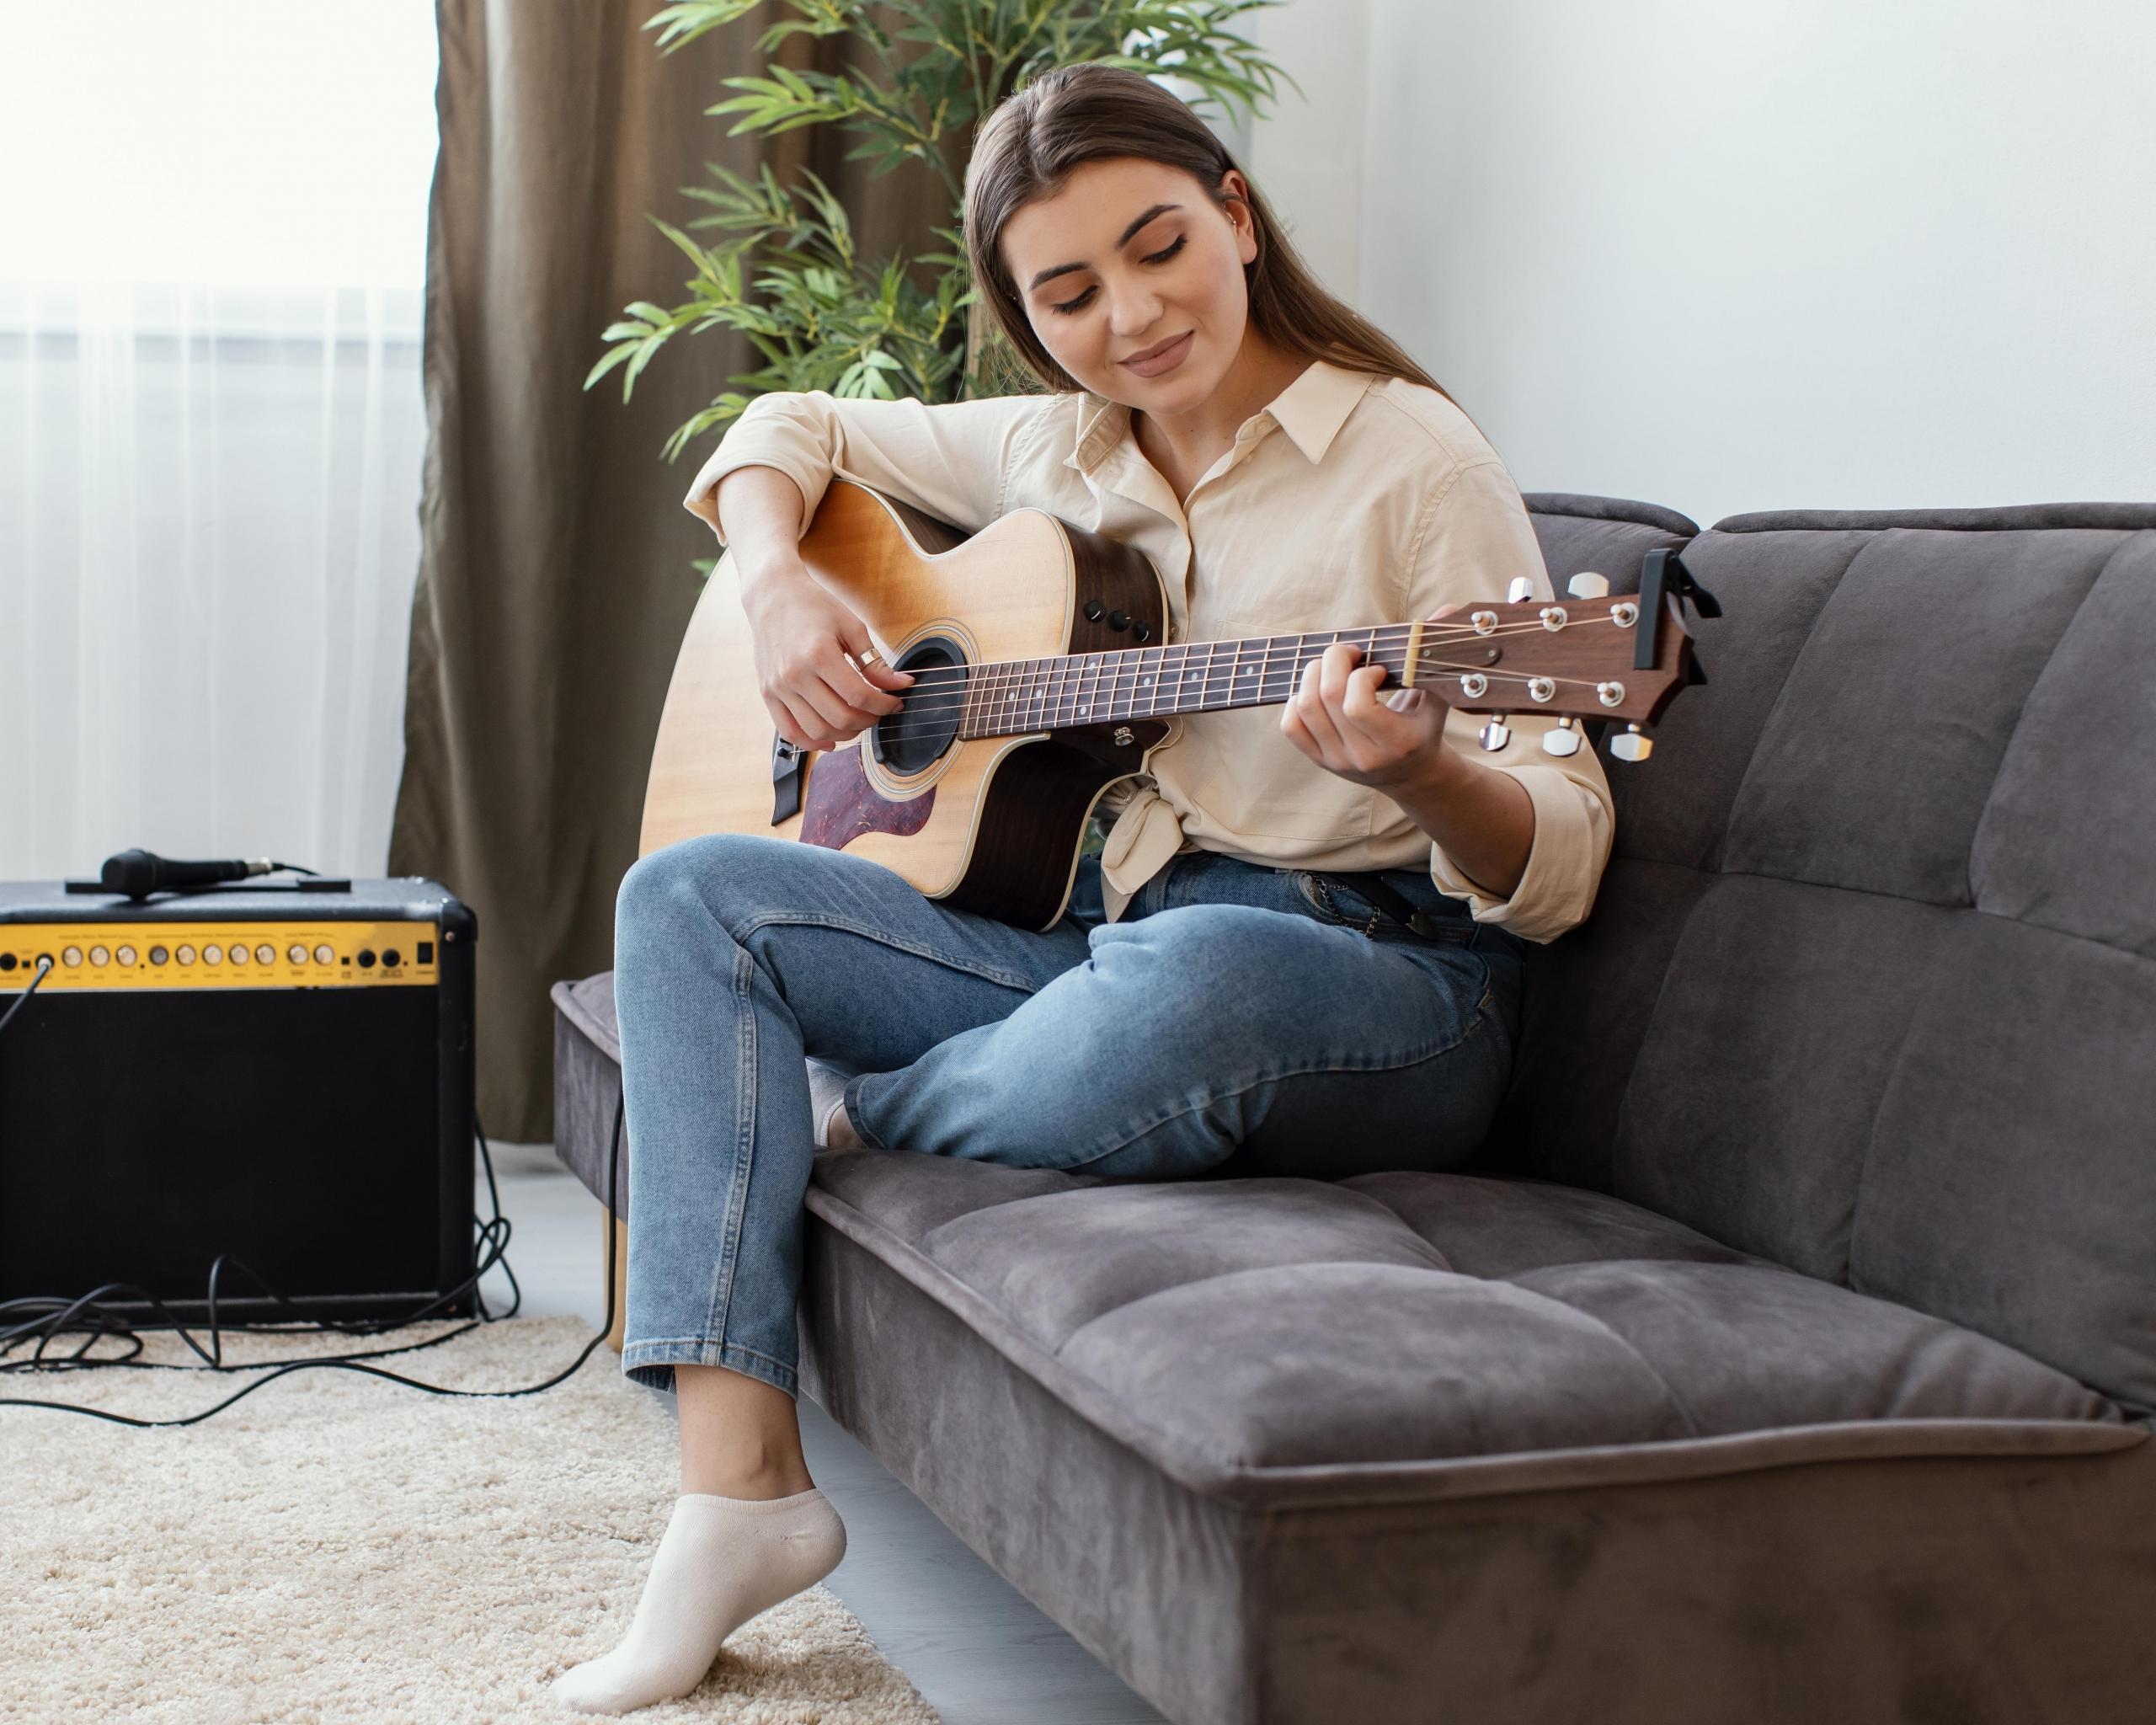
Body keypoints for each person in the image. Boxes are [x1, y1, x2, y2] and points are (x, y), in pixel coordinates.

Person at [551, 61, 1612, 1717]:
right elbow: (787, 425)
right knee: (686, 901)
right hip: (1105, 942)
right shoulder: (1060, 449)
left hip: (1382, 979)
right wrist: (770, 583)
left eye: (1157, 245)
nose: (1129, 311)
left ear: (1236, 218)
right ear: (1024, 316)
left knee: (1195, 982)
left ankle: (842, 1106)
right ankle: (737, 1491)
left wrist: (1417, 768)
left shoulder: (1409, 462)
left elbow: (1551, 854)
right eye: (1067, 290)